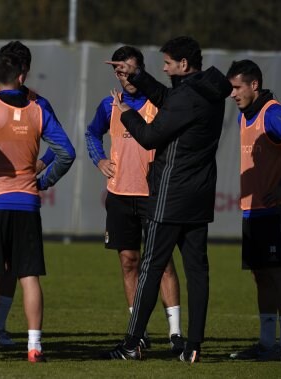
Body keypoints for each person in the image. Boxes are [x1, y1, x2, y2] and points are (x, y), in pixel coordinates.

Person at [102, 36, 232, 362]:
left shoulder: (187, 98)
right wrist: (136, 74)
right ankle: (194, 346)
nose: (163, 67)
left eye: (168, 63)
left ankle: (131, 344)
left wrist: (124, 112)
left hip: (170, 194)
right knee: (197, 271)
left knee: (150, 267)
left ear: (183, 65)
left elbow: (148, 137)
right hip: (199, 197)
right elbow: (169, 97)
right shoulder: (206, 90)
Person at [0, 53, 76, 362]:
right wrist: (44, 180)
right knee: (29, 276)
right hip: (27, 203)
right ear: (22, 75)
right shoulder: (38, 110)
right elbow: (67, 153)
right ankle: (35, 347)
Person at [85, 45, 184, 354]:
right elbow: (91, 134)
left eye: (128, 68)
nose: (123, 74)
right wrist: (98, 159)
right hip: (119, 195)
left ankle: (175, 333)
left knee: (163, 261)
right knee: (129, 262)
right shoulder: (108, 104)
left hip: (154, 195)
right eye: (119, 69)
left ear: (140, 70)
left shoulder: (159, 103)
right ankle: (137, 334)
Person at [226, 60, 281, 361]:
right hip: (252, 212)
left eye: (237, 87)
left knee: (277, 276)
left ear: (254, 86)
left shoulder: (273, 114)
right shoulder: (243, 118)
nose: (233, 94)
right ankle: (266, 344)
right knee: (261, 276)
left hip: (274, 212)